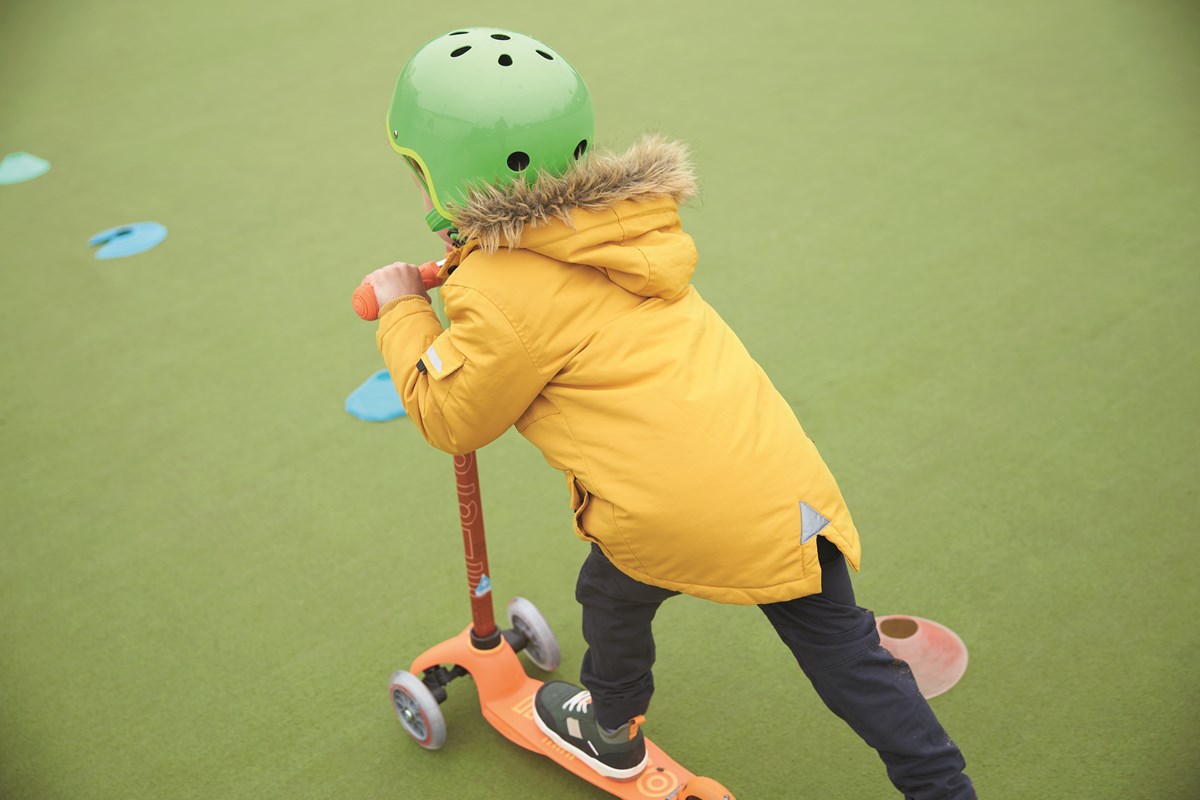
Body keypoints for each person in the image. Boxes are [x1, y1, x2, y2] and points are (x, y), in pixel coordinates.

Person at [361, 27, 976, 799]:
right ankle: (942, 786)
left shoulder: (494, 290)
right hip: (782, 484)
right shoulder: (626, 228)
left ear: (443, 173)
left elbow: (453, 416)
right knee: (844, 652)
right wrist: (465, 255)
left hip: (670, 509)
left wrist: (404, 310)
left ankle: (611, 727)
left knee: (611, 594)